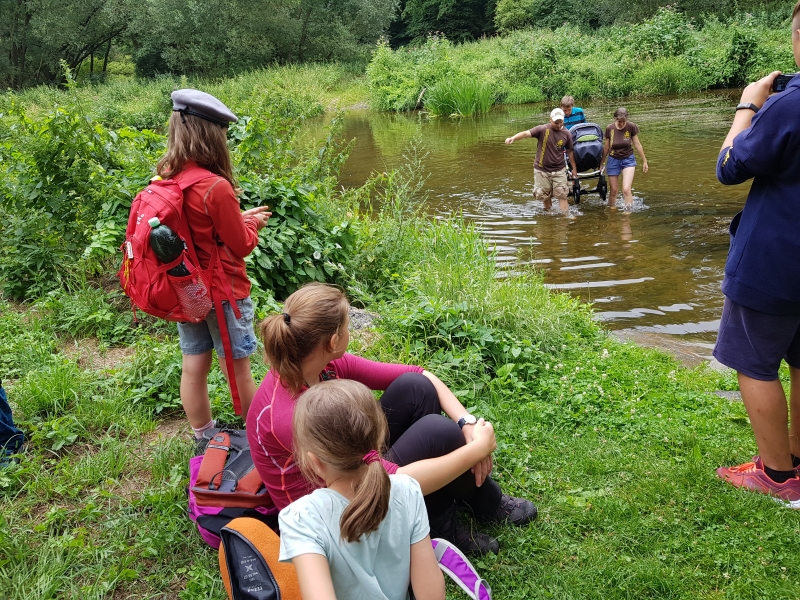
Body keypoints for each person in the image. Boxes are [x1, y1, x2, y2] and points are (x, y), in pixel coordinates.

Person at [246, 283, 537, 556]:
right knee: (438, 433)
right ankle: (450, 516)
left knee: (415, 388)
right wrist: (476, 449)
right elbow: (391, 480)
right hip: (336, 518)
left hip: (346, 468)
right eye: (348, 326)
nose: (350, 332)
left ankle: (443, 503)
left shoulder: (320, 365)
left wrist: (467, 423)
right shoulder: (289, 416)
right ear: (333, 341)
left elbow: (419, 374)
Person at [712, 1, 800, 506]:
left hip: (773, 259)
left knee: (755, 362)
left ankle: (777, 476)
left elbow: (729, 166)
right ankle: (796, 458)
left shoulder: (788, 106)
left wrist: (747, 106)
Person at [158, 89, 271, 439]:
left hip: (187, 289)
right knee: (239, 371)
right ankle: (260, 439)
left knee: (194, 365)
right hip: (223, 293)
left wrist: (239, 218)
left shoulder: (167, 178)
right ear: (212, 135)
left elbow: (200, 231)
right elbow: (241, 245)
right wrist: (252, 224)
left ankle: (203, 434)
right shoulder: (215, 186)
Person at [278, 379, 451, 600]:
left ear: (314, 462)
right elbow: (431, 594)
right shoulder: (407, 490)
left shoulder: (302, 519)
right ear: (378, 439)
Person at [505, 108, 578, 212]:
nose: (558, 125)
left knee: (562, 194)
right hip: (542, 170)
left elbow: (570, 152)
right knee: (544, 195)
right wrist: (513, 138)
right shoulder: (542, 129)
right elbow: (526, 133)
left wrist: (574, 169)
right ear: (550, 119)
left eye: (560, 122)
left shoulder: (566, 134)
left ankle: (565, 217)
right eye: (556, 123)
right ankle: (548, 216)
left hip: (559, 170)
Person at [600, 107, 648, 210]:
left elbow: (637, 144)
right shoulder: (610, 128)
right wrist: (601, 163)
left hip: (628, 159)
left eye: (623, 121)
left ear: (627, 119)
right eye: (619, 121)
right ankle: (612, 211)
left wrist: (644, 161)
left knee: (626, 189)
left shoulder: (631, 127)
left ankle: (628, 212)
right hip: (613, 159)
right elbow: (606, 147)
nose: (621, 124)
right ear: (615, 119)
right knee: (614, 191)